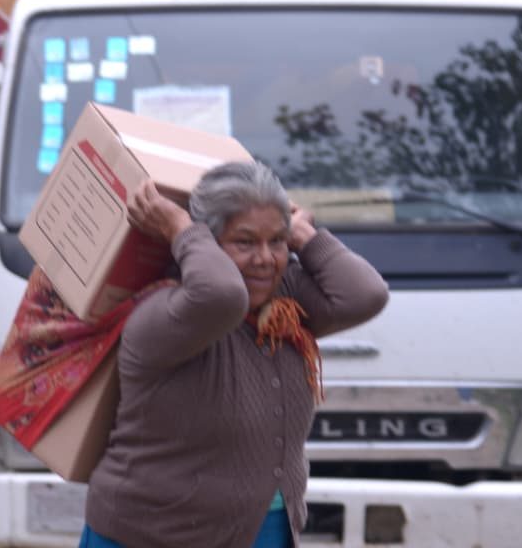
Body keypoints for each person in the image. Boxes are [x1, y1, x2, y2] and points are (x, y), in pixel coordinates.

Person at [78, 161, 389, 547]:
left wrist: (305, 236)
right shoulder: (163, 313)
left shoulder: (284, 307)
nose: (265, 258)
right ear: (205, 243)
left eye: (277, 241)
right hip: (151, 535)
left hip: (263, 529)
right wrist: (180, 228)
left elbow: (365, 294)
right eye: (244, 242)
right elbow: (222, 295)